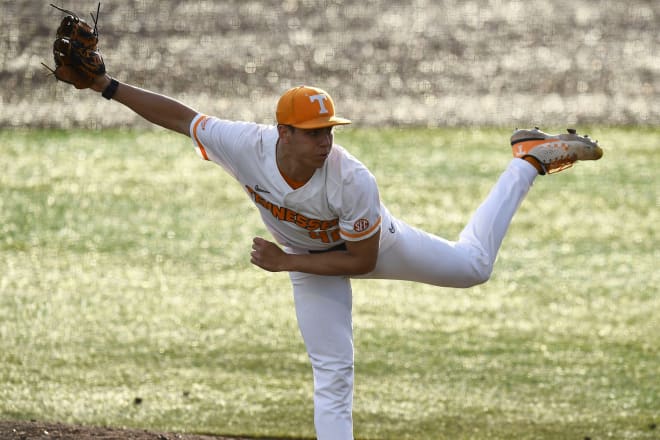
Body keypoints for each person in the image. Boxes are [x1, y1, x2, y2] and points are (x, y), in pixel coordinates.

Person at [83, 75, 602, 439]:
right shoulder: (244, 144)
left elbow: (360, 261)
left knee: (474, 268)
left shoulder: (352, 180)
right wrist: (107, 87)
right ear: (283, 133)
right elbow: (180, 117)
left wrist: (286, 263)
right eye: (314, 133)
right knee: (332, 369)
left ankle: (527, 159)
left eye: (330, 130)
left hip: (371, 246)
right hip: (307, 262)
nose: (325, 142)